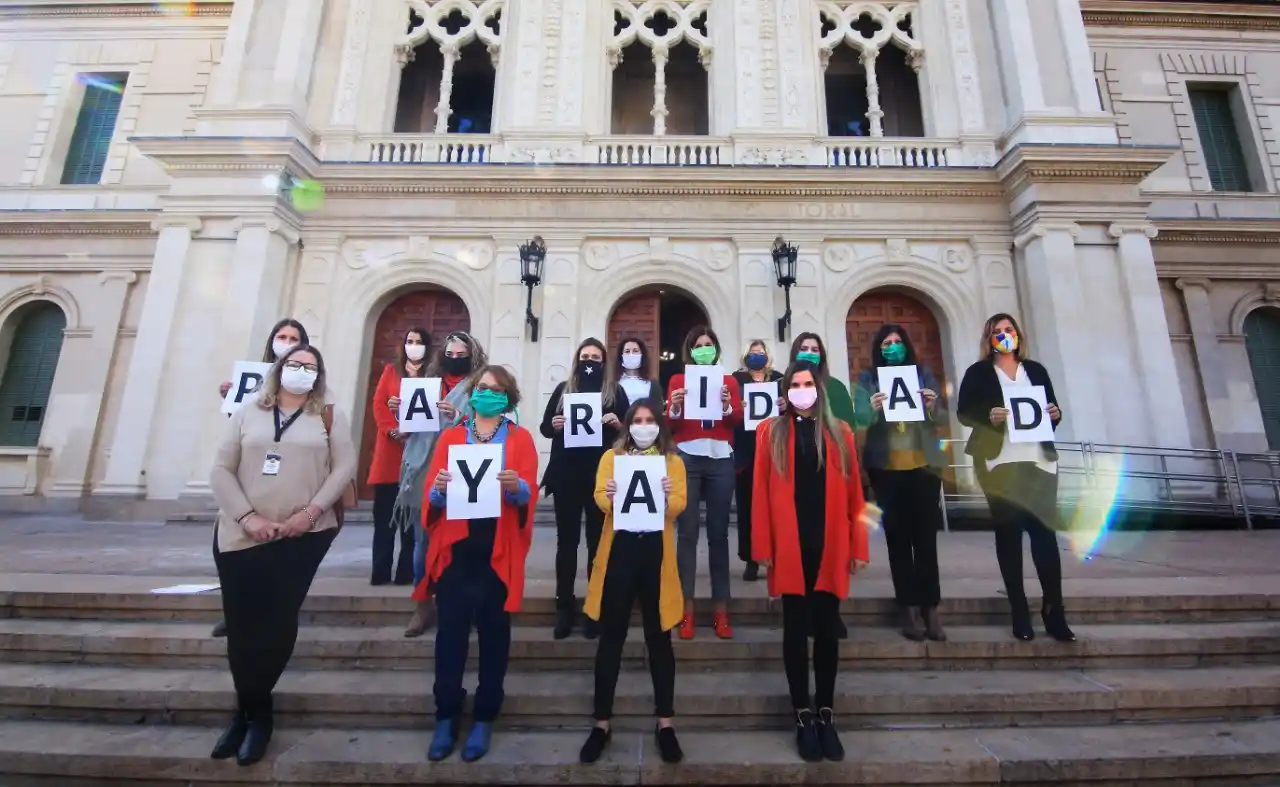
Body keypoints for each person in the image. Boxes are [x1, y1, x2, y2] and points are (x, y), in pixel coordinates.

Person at [207, 344, 356, 766]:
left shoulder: (328, 413)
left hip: (302, 537)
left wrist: (310, 514)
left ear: (319, 375)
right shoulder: (248, 411)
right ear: (279, 369)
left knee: (275, 625)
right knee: (241, 629)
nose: (301, 371)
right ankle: (247, 711)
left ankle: (258, 714)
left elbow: (344, 468)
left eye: (310, 367)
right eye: (294, 364)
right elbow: (220, 469)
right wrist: (247, 517)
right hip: (241, 536)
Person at [418, 365, 538, 763]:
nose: (488, 393)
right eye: (482, 387)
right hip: (456, 545)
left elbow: (528, 493)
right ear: (472, 393)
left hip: (496, 547)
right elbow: (432, 499)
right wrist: (437, 491)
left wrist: (515, 487)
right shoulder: (452, 437)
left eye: (497, 389)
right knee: (449, 633)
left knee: (493, 632)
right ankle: (446, 713)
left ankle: (486, 713)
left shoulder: (520, 440)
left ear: (508, 396)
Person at [752, 361, 868, 763]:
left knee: (827, 631)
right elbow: (760, 491)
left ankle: (826, 713)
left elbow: (855, 493)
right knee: (795, 630)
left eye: (808, 383)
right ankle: (802, 715)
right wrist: (762, 546)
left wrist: (859, 545)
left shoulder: (840, 434)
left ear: (818, 388)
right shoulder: (770, 432)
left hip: (829, 544)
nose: (803, 389)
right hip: (789, 546)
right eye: (795, 384)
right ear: (785, 391)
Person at [956, 313, 1075, 643]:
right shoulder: (978, 373)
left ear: (1018, 335)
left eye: (1008, 330)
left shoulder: (1035, 370)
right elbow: (964, 412)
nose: (1004, 335)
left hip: (1038, 461)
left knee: (1044, 537)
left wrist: (1056, 413)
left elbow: (1051, 410)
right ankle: (1019, 610)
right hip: (999, 462)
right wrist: (988, 415)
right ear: (988, 338)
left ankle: (1055, 610)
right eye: (997, 331)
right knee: (1009, 537)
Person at [579, 401, 686, 765]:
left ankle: (666, 722)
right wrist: (607, 496)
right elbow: (597, 498)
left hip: (655, 553)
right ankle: (601, 723)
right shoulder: (612, 457)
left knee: (660, 638)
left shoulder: (673, 461)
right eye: (637, 421)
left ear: (659, 425)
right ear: (628, 426)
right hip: (620, 551)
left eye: (650, 420)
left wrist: (669, 495)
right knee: (612, 637)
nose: (643, 426)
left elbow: (679, 506)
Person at [210, 317, 310, 640]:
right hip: (248, 476)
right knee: (226, 549)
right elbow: (238, 429)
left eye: (293, 337)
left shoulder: (308, 383)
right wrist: (228, 398)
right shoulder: (253, 377)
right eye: (281, 336)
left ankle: (275, 612)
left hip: (286, 480)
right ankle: (235, 613)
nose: (287, 341)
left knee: (278, 558)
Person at [854, 324, 948, 641]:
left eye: (897, 342)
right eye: (886, 343)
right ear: (879, 349)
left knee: (925, 540)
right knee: (897, 538)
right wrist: (872, 408)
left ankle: (930, 608)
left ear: (906, 345)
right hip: (887, 467)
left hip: (924, 466)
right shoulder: (868, 379)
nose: (892, 347)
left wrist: (934, 406)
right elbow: (860, 419)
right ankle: (907, 606)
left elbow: (944, 417)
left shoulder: (923, 374)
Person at [391, 331, 488, 638]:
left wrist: (459, 416)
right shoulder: (427, 383)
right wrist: (401, 416)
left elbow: (492, 424)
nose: (455, 359)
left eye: (462, 354)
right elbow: (412, 429)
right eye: (451, 353)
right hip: (423, 468)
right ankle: (422, 604)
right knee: (422, 544)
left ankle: (466, 602)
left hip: (464, 468)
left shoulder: (480, 386)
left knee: (464, 542)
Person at [541, 338, 630, 640]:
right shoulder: (564, 390)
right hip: (566, 475)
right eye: (585, 356)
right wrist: (554, 424)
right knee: (566, 545)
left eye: (595, 357)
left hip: (600, 479)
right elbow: (544, 427)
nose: (590, 361)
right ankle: (563, 606)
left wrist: (618, 424)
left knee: (596, 545)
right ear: (577, 360)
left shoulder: (614, 392)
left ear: (604, 361)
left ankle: (595, 608)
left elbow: (630, 431)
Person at [666, 325, 741, 639]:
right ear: (690, 350)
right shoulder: (678, 380)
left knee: (718, 534)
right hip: (688, 457)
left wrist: (726, 403)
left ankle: (721, 608)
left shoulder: (729, 380)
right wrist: (677, 405)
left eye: (709, 344)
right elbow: (670, 424)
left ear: (716, 348)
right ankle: (686, 608)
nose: (704, 349)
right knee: (686, 534)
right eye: (699, 345)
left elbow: (736, 420)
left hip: (721, 456)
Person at [366, 327, 430, 586]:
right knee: (384, 520)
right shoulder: (391, 372)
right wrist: (392, 429)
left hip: (417, 455)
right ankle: (380, 571)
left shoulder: (431, 375)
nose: (413, 346)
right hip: (389, 454)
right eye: (410, 341)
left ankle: (405, 573)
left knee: (409, 522)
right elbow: (379, 404)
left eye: (419, 342)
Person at [732, 339, 782, 582]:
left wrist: (784, 405)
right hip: (746, 452)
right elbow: (728, 411)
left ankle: (777, 556)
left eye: (760, 353)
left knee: (776, 507)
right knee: (747, 507)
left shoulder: (780, 380)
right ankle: (751, 559)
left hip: (774, 451)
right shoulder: (736, 380)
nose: (756, 356)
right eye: (752, 353)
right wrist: (734, 406)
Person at [788, 332, 856, 433]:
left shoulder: (836, 387)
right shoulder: (782, 385)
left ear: (821, 356)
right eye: (803, 349)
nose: (809, 353)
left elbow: (847, 428)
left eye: (815, 350)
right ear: (795, 353)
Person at [612, 336, 664, 407]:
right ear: (621, 356)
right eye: (627, 351)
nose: (631, 354)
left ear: (642, 355)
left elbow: (658, 408)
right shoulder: (613, 384)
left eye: (635, 351)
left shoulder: (652, 384)